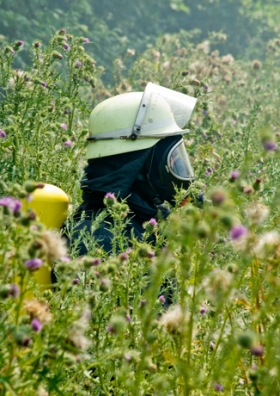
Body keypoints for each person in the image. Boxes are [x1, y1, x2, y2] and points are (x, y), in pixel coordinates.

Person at [65, 82, 197, 256]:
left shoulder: (147, 222)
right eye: (172, 158)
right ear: (136, 164)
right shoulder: (96, 239)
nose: (178, 166)